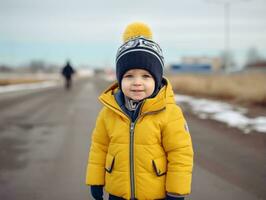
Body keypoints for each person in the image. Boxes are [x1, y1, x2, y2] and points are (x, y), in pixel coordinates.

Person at [85, 22, 194, 200]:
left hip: (155, 194)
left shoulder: (169, 113)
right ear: (119, 80)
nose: (137, 82)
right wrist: (95, 180)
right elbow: (99, 148)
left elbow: (180, 153)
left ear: (157, 80)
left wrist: (176, 191)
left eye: (146, 76)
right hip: (118, 193)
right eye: (129, 76)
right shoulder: (109, 112)